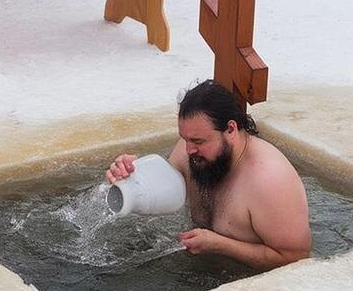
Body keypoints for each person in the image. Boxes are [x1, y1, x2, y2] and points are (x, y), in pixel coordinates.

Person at [106, 81, 311, 269]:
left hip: (252, 286)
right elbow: (161, 188)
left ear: (230, 129)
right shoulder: (191, 153)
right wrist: (131, 173)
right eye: (185, 139)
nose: (188, 150)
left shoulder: (269, 179)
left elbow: (295, 257)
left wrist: (220, 245)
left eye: (198, 141)